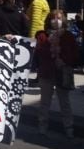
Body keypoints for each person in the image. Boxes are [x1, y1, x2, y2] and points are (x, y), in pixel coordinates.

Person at [33, 9, 79, 138]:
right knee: (45, 102)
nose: (56, 21)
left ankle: (69, 127)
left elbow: (74, 54)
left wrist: (64, 60)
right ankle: (42, 125)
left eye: (59, 18)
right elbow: (39, 53)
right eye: (53, 18)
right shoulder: (42, 36)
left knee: (64, 102)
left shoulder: (68, 36)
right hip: (47, 72)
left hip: (62, 72)